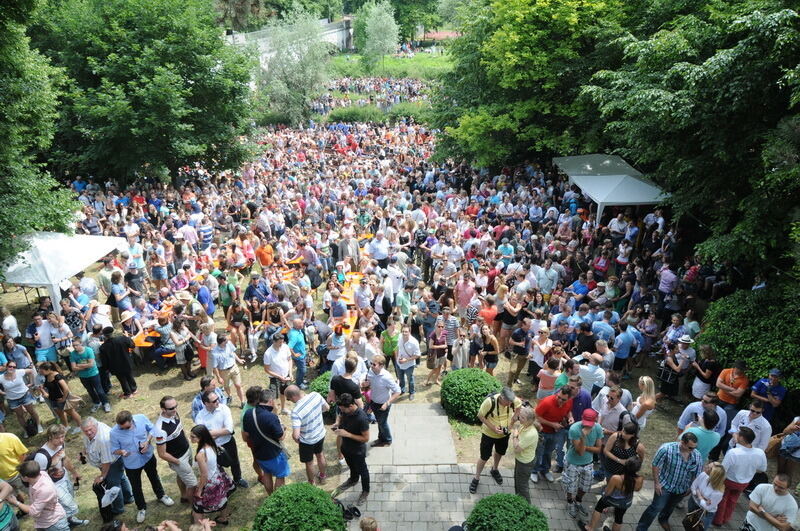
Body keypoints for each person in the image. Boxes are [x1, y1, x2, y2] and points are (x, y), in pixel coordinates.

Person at [109, 410, 174, 523]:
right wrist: (122, 452)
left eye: (127, 427)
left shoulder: (141, 418)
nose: (124, 429)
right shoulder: (114, 432)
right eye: (122, 427)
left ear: (132, 420)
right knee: (136, 486)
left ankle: (161, 495)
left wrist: (147, 442)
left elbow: (152, 430)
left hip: (147, 456)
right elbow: (114, 450)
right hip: (131, 463)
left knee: (154, 477)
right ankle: (141, 508)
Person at [636, 432, 702, 531]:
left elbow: (697, 474)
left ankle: (663, 519)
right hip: (664, 485)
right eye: (690, 447)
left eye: (694, 447)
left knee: (670, 507)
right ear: (682, 442)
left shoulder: (697, 455)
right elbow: (655, 465)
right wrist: (657, 483)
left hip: (681, 489)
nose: (693, 450)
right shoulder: (667, 449)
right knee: (656, 507)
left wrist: (690, 487)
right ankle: (641, 528)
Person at [32, 425, 89, 527]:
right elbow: (39, 477)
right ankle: (62, 525)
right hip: (53, 485)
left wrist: (74, 473)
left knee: (69, 500)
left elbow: (65, 459)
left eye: (62, 436)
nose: (61, 440)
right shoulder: (41, 456)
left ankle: (70, 521)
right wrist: (52, 463)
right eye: (57, 438)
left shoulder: (61, 445)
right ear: (50, 437)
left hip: (64, 477)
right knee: (71, 506)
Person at [469, 387, 523, 494]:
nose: (509, 404)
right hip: (488, 434)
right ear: (502, 397)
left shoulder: (512, 400)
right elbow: (480, 416)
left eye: (511, 402)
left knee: (499, 452)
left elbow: (519, 405)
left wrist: (513, 420)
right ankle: (476, 478)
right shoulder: (489, 402)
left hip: (504, 434)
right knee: (484, 457)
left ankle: (495, 469)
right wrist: (493, 428)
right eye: (508, 402)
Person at [81, 417, 134, 519]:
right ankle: (128, 498)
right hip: (108, 462)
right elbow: (88, 443)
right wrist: (84, 451)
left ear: (96, 426)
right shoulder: (92, 427)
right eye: (85, 431)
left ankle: (118, 509)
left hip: (112, 463)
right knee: (120, 478)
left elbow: (106, 461)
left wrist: (102, 476)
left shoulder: (103, 439)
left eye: (90, 430)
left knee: (113, 485)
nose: (88, 433)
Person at [714, 426, 767, 526]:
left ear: (741, 438)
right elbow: (762, 469)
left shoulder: (733, 452)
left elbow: (723, 469)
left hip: (729, 481)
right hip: (744, 483)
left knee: (722, 500)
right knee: (733, 500)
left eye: (737, 434)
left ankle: (718, 520)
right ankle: (726, 518)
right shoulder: (760, 453)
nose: (735, 435)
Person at [194, 391, 249, 489]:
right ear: (206, 403)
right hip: (212, 446)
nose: (218, 401)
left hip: (228, 442)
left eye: (218, 398)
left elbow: (229, 429)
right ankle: (223, 484)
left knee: (235, 462)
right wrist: (221, 431)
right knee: (217, 466)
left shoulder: (224, 409)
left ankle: (238, 479)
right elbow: (201, 436)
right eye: (214, 400)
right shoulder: (200, 417)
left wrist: (209, 433)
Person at [153, 396, 197, 505]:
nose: (175, 409)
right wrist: (178, 462)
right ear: (163, 409)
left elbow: (181, 430)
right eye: (171, 408)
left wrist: (188, 443)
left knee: (181, 476)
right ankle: (195, 507)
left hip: (187, 450)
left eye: (176, 406)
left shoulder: (174, 414)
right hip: (178, 458)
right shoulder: (160, 429)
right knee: (193, 485)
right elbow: (161, 454)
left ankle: (184, 496)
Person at [578, 458, 643, 531]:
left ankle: (590, 528)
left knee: (598, 508)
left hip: (611, 500)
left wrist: (603, 493)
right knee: (619, 518)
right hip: (625, 502)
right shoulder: (640, 479)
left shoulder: (616, 478)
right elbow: (637, 489)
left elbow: (608, 492)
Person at [189, 425, 235, 526]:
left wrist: (199, 490)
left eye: (193, 437)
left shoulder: (200, 454)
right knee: (222, 498)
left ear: (201, 437)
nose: (190, 438)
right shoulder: (211, 444)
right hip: (218, 476)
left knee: (198, 507)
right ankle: (224, 518)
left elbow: (204, 475)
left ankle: (199, 527)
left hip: (210, 482)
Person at [331, 393, 370, 506]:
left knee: (363, 471)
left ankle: (365, 491)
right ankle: (353, 479)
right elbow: (340, 414)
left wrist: (347, 434)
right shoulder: (345, 410)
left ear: (351, 405)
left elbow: (366, 438)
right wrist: (337, 423)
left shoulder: (361, 418)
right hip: (346, 448)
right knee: (351, 466)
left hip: (357, 450)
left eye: (343, 409)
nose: (341, 411)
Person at [7, 461, 69, 531]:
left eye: (20, 476)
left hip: (54, 523)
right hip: (43, 521)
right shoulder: (41, 474)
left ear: (26, 478)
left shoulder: (44, 490)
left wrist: (15, 502)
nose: (20, 477)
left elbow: (34, 512)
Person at [285, 385, 328, 485]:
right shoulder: (315, 395)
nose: (289, 401)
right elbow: (326, 407)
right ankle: (323, 476)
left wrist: (294, 437)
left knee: (309, 463)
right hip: (320, 434)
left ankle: (311, 482)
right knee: (320, 455)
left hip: (307, 441)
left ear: (293, 397)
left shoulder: (296, 412)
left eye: (288, 399)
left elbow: (296, 435)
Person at [563, 409, 603, 518]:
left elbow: (599, 449)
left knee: (585, 486)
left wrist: (585, 447)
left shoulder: (598, 428)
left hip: (588, 463)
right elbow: (580, 452)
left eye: (590, 424)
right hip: (572, 462)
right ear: (582, 418)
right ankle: (570, 502)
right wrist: (582, 436)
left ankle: (578, 501)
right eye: (586, 424)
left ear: (595, 420)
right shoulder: (575, 429)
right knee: (570, 486)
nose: (588, 427)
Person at [532, 386, 573, 484]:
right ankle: (534, 471)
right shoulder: (547, 402)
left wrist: (570, 417)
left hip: (555, 432)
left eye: (563, 399)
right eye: (558, 397)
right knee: (539, 452)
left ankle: (545, 470)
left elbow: (568, 411)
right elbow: (536, 417)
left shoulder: (569, 402)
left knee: (548, 452)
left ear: (569, 399)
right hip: (542, 432)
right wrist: (552, 424)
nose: (560, 400)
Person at [69, 336, 112, 413]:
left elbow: (91, 364)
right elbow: (73, 368)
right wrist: (84, 366)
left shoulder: (88, 350)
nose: (75, 347)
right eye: (73, 345)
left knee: (99, 390)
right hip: (83, 376)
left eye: (76, 345)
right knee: (90, 390)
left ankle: (105, 403)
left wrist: (78, 365)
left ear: (81, 344)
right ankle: (96, 403)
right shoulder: (73, 354)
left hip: (93, 374)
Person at [366, 354, 401, 448]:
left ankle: (387, 440)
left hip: (383, 404)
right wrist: (366, 384)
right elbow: (369, 385)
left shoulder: (387, 377)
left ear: (381, 366)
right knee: (380, 422)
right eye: (371, 363)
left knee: (382, 423)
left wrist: (387, 403)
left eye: (374, 364)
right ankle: (381, 438)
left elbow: (398, 391)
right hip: (374, 402)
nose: (371, 366)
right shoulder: (370, 371)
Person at [0, 362, 43, 438]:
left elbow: (30, 371)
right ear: (6, 367)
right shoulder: (1, 377)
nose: (12, 368)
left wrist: (31, 383)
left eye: (14, 367)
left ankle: (38, 425)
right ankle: (26, 430)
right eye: (10, 366)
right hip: (12, 400)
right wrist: (2, 392)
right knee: (20, 416)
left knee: (31, 411)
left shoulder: (19, 372)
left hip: (25, 395)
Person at [39, 362, 83, 435]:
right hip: (53, 399)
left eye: (42, 371)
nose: (41, 373)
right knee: (60, 414)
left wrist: (63, 399)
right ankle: (66, 426)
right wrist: (42, 388)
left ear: (49, 369)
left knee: (71, 412)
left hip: (61, 399)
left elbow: (66, 389)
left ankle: (80, 426)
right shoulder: (47, 376)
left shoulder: (57, 376)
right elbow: (47, 385)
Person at [98, 327, 137, 399]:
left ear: (105, 335)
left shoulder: (103, 347)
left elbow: (104, 360)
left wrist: (106, 368)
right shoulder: (122, 339)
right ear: (113, 332)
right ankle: (134, 389)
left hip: (115, 367)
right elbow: (132, 345)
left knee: (122, 379)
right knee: (129, 375)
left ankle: (128, 393)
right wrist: (128, 338)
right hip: (126, 361)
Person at [511, 406, 538, 504]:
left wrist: (515, 436)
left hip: (525, 463)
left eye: (522, 418)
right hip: (520, 460)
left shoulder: (531, 434)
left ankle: (527, 507)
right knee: (517, 482)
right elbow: (517, 431)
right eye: (520, 416)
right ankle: (518, 502)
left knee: (522, 486)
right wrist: (516, 436)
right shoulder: (524, 425)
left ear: (529, 420)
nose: (519, 419)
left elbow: (517, 448)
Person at [210, 334, 245, 409]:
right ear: (222, 342)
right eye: (226, 340)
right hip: (223, 371)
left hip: (234, 367)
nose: (228, 341)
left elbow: (233, 352)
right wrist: (219, 377)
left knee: (238, 385)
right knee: (226, 386)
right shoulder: (214, 353)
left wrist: (239, 360)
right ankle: (229, 396)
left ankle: (243, 402)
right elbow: (215, 367)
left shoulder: (229, 344)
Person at [688, 461, 725, 529]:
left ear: (713, 475)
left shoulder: (718, 492)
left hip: (705, 514)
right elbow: (693, 486)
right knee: (688, 524)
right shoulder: (703, 474)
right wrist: (700, 496)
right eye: (708, 465)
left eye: (708, 468)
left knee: (698, 528)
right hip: (693, 503)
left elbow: (707, 508)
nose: (705, 467)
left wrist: (699, 496)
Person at [262, 333, 292, 415]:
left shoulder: (285, 347)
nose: (282, 344)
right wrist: (279, 376)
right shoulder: (268, 353)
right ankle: (275, 413)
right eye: (280, 342)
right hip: (275, 378)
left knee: (283, 392)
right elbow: (267, 370)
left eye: (282, 342)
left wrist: (290, 373)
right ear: (274, 342)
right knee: (273, 397)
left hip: (286, 376)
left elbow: (289, 360)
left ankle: (283, 408)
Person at [395, 325, 421, 400]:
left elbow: (418, 355)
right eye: (403, 331)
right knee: (400, 378)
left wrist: (406, 360)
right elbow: (397, 347)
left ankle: (412, 392)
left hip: (409, 365)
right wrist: (397, 358)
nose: (404, 333)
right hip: (399, 363)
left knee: (410, 379)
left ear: (409, 332)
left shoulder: (414, 342)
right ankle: (402, 390)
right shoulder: (399, 337)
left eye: (406, 331)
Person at [287, 319, 308, 388]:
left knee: (301, 369)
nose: (303, 324)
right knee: (302, 370)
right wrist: (294, 354)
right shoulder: (294, 335)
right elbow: (289, 347)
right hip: (299, 357)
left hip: (302, 354)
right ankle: (299, 384)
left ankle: (301, 380)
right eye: (301, 323)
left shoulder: (298, 330)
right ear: (297, 326)